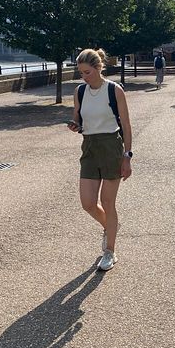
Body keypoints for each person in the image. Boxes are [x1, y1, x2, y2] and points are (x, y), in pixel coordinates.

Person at [67, 48, 133, 271]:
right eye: (81, 73)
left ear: (98, 68)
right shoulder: (80, 92)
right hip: (89, 147)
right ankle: (111, 226)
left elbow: (126, 125)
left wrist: (127, 157)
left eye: (87, 72)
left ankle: (110, 252)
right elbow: (78, 117)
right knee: (87, 203)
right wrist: (75, 125)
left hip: (111, 146)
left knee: (107, 203)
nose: (84, 77)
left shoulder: (114, 90)